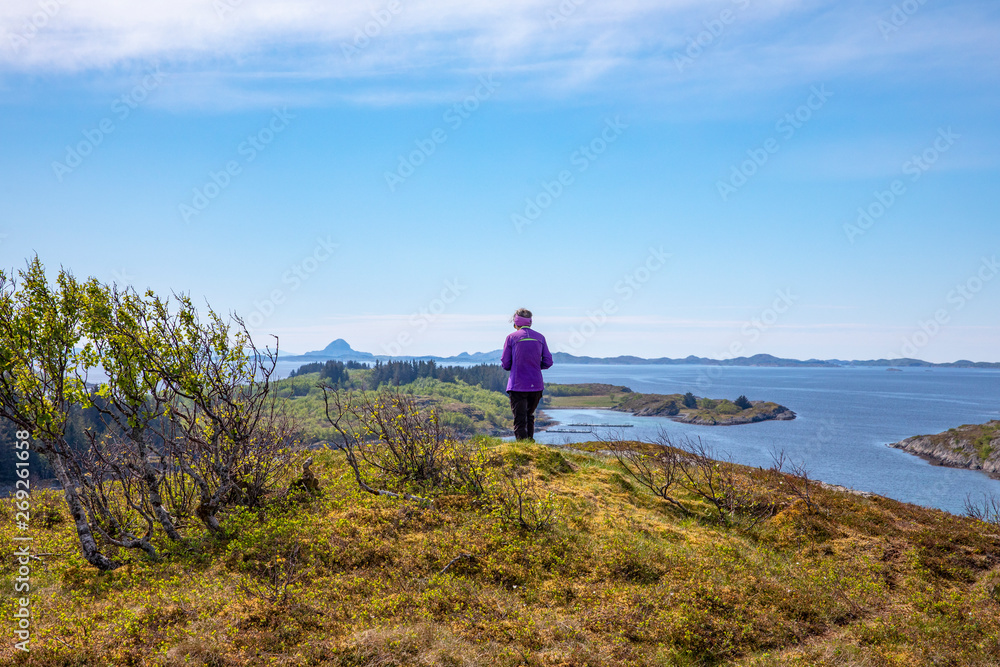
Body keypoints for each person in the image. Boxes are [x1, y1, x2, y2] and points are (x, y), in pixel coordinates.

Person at [500, 308, 553, 441]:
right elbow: (548, 362)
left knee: (519, 419)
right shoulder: (540, 337)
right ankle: (529, 444)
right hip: (536, 385)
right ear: (530, 322)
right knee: (529, 415)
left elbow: (506, 364)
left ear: (515, 323)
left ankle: (523, 447)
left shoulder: (511, 338)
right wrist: (535, 366)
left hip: (517, 385)